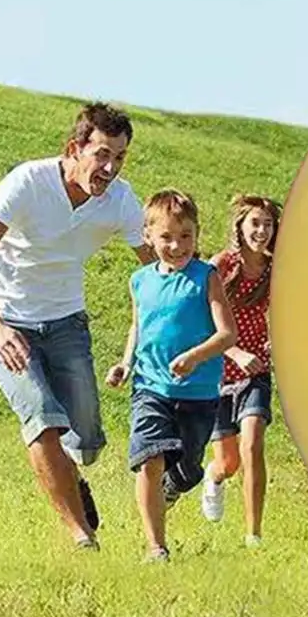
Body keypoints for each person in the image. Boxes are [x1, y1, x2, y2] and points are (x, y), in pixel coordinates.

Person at [0, 102, 155, 550]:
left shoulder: (120, 201)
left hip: (67, 323)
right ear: (74, 148)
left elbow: (160, 268)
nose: (110, 168)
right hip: (6, 321)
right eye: (101, 154)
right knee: (41, 418)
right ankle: (82, 536)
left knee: (87, 438)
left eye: (119, 157)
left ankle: (72, 474)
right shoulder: (29, 182)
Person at [106, 189, 236, 562]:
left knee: (188, 469)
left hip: (198, 393)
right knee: (150, 458)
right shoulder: (140, 280)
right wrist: (126, 363)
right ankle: (156, 547)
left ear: (196, 235)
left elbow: (228, 334)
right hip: (150, 386)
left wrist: (195, 357)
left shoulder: (205, 277)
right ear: (148, 235)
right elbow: (139, 326)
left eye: (186, 237)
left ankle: (175, 486)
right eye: (166, 237)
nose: (177, 246)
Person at [200, 194, 282, 547]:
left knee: (253, 444)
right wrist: (233, 352)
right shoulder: (221, 266)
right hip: (218, 370)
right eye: (255, 223)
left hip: (255, 373)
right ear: (240, 226)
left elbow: (286, 314)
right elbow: (202, 321)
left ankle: (253, 535)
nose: (261, 231)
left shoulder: (275, 269)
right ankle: (214, 478)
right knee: (229, 462)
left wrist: (275, 342)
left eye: (267, 224)